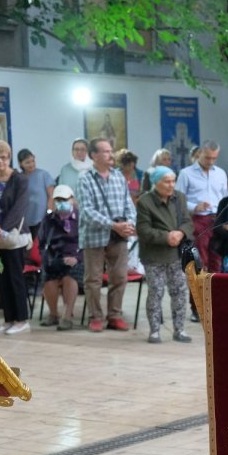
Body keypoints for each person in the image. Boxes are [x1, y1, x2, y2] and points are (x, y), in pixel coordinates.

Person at [78, 137, 137, 332]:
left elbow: (128, 203)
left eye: (111, 151)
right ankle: (95, 316)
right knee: (93, 279)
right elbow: (87, 211)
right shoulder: (85, 178)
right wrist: (113, 225)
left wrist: (130, 223)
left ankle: (115, 315)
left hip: (118, 236)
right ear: (93, 155)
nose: (110, 155)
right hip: (94, 236)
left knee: (119, 276)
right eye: (105, 151)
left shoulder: (119, 177)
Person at [135, 166, 194, 343]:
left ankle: (180, 329)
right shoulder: (145, 201)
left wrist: (181, 233)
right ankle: (154, 331)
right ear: (156, 182)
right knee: (156, 292)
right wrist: (166, 237)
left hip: (176, 254)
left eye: (173, 181)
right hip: (154, 256)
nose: (171, 185)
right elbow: (143, 229)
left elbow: (188, 222)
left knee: (180, 292)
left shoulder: (179, 198)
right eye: (166, 181)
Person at [0, 141, 31, 334]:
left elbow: (18, 209)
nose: (1, 161)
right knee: (1, 279)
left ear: (9, 158)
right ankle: (8, 319)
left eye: (4, 157)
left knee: (15, 278)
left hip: (11, 235)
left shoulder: (19, 180)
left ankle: (21, 319)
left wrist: (0, 230)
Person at [175, 140, 228, 274]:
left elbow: (226, 197)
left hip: (217, 220)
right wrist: (194, 206)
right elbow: (177, 200)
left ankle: (215, 292)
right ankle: (198, 293)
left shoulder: (221, 173)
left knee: (217, 259)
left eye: (214, 158)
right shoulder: (186, 173)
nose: (211, 162)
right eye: (207, 157)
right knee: (199, 260)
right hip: (197, 220)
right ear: (199, 153)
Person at [38, 184, 82, 330]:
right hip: (54, 257)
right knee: (49, 277)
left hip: (76, 258)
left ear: (72, 200)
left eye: (64, 199)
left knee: (69, 277)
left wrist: (77, 258)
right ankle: (53, 314)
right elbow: (42, 243)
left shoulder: (81, 219)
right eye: (57, 200)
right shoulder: (49, 220)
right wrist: (48, 259)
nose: (60, 203)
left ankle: (67, 316)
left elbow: (87, 244)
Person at [17, 148, 54, 242]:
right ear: (21, 164)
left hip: (42, 219)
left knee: (40, 250)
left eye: (32, 161)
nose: (31, 164)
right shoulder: (19, 178)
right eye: (27, 162)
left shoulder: (43, 175)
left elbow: (52, 196)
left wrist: (49, 213)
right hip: (24, 222)